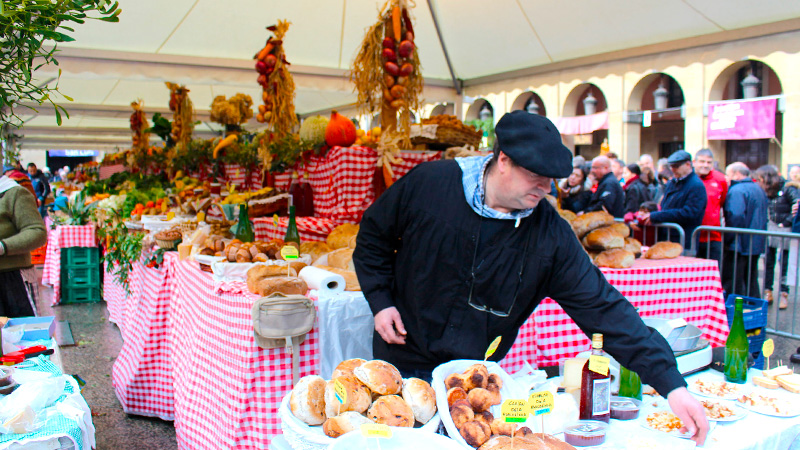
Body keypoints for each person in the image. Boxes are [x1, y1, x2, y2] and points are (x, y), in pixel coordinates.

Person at [354, 110, 709, 445]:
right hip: (402, 357)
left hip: (470, 381)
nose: (545, 189)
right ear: (503, 160)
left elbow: (604, 308)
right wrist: (381, 300)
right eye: (535, 177)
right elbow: (373, 235)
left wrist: (671, 384)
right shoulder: (432, 184)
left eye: (550, 180)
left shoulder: (550, 236)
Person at [0, 166, 47, 317]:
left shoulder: (14, 193)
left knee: (18, 334)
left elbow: (37, 232)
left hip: (11, 280)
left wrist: (3, 247)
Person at [640, 150, 707, 251]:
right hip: (668, 236)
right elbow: (665, 205)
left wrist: (658, 216)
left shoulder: (696, 185)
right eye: (671, 166)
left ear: (688, 164)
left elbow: (689, 213)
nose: (673, 169)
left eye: (676, 166)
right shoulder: (673, 182)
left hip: (683, 239)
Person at [755, 165, 798, 309]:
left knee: (785, 264)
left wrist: (786, 222)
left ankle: (784, 294)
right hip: (771, 227)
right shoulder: (767, 190)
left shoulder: (788, 188)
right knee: (768, 262)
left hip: (785, 229)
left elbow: (797, 207)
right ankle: (768, 291)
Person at [722, 162, 768, 299]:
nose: (726, 177)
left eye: (728, 174)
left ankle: (736, 312)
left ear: (737, 174)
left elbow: (735, 216)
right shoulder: (758, 188)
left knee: (735, 280)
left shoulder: (737, 190)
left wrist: (728, 238)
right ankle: (754, 308)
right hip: (754, 242)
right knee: (751, 279)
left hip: (739, 243)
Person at [693, 149, 727, 268]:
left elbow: (722, 202)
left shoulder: (720, 179)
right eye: (702, 161)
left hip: (713, 235)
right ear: (694, 162)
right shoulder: (689, 179)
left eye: (709, 162)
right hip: (693, 235)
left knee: (713, 272)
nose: (705, 165)